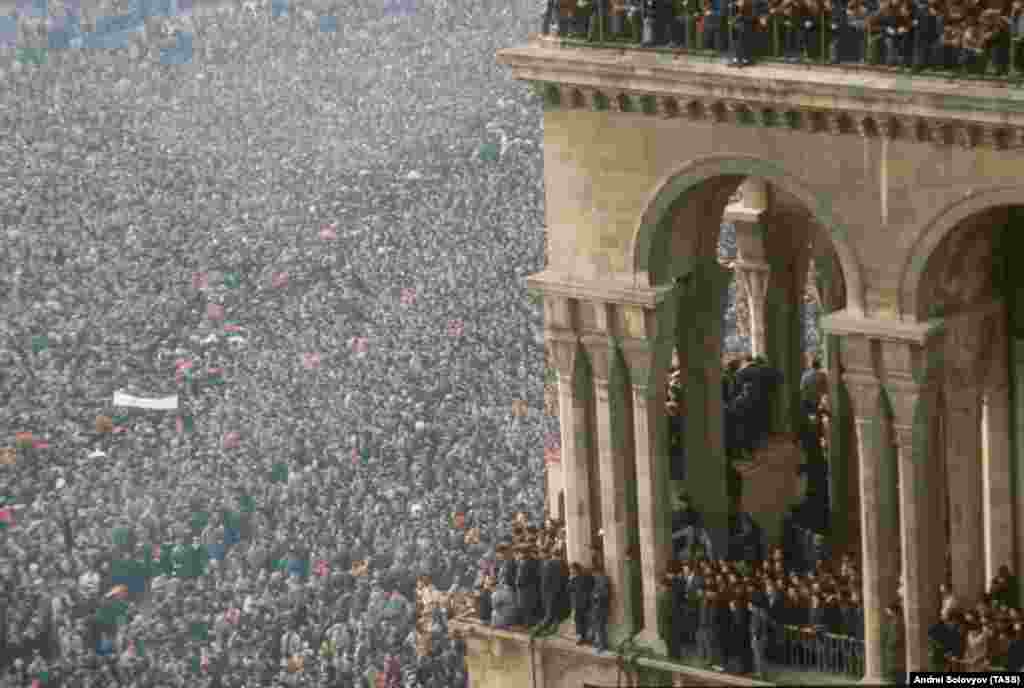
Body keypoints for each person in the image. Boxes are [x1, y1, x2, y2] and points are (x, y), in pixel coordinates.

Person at [568, 563, 593, 644]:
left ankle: (585, 638)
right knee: (581, 621)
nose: (571, 571)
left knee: (582, 621)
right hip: (581, 603)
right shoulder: (584, 577)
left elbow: (569, 588)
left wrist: (571, 580)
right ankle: (584, 638)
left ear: (576, 569)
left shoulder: (577, 578)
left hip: (581, 603)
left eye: (572, 569)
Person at [590, 562, 611, 653]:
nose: (593, 575)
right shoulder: (600, 579)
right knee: (599, 626)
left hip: (601, 607)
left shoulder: (603, 579)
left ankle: (602, 645)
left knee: (600, 627)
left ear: (598, 572)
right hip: (598, 607)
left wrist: (596, 595)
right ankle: (600, 643)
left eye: (594, 573)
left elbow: (605, 593)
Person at [748, 594, 770, 679]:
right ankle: (761, 673)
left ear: (754, 605)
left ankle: (761, 674)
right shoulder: (762, 612)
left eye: (750, 604)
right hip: (763, 637)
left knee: (758, 657)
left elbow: (756, 627)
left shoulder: (756, 614)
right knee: (761, 657)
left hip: (758, 638)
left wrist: (754, 637)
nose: (748, 606)